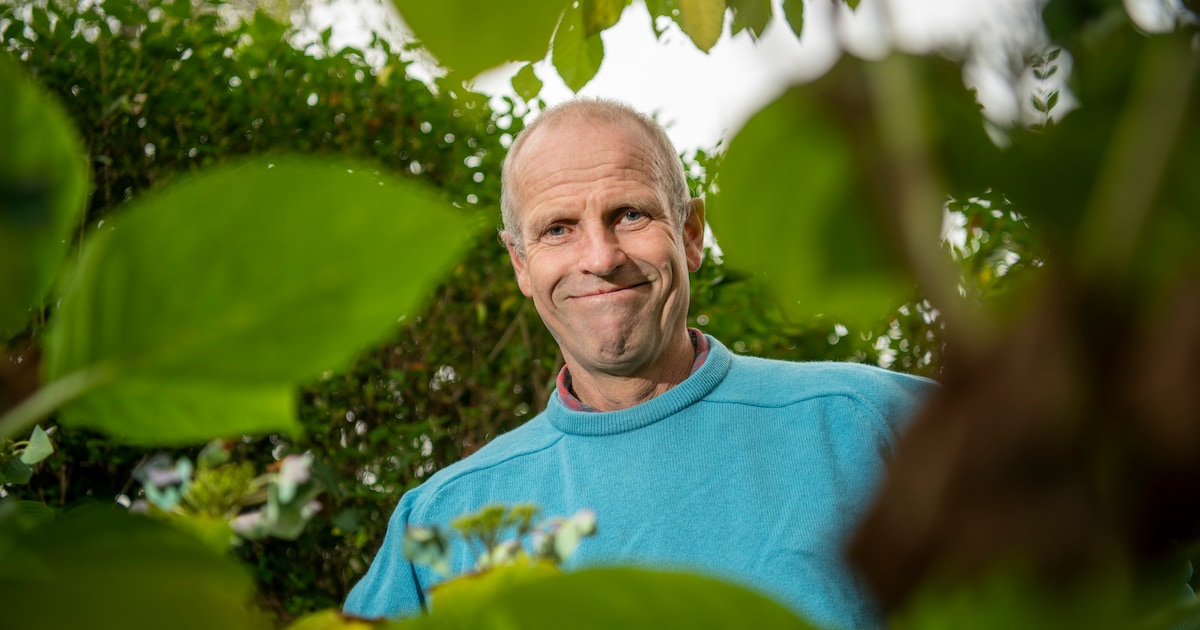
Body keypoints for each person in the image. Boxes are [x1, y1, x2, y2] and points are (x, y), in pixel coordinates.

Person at [343, 98, 936, 628]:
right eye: (558, 229)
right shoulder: (445, 520)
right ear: (520, 264)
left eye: (630, 214)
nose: (600, 258)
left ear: (691, 232)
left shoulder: (876, 423)